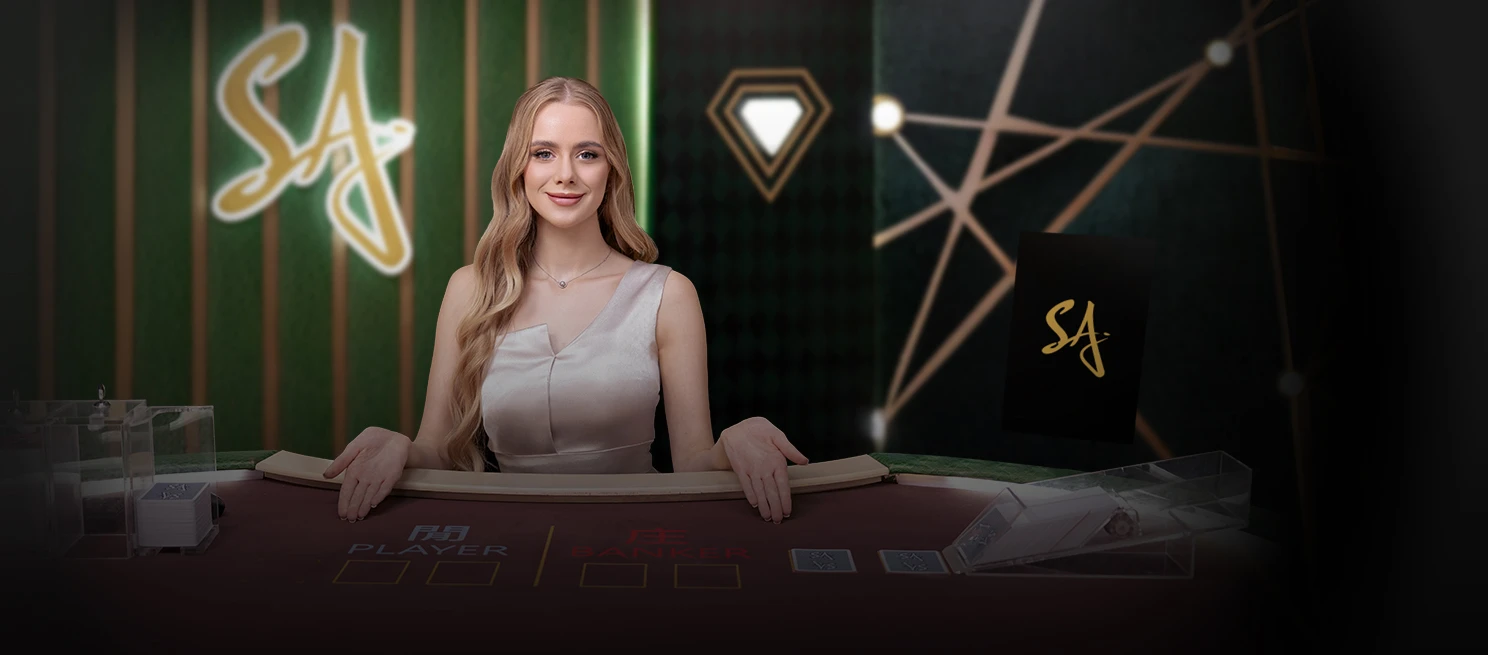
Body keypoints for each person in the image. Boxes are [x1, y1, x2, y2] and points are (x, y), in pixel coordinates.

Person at [323, 77, 808, 525]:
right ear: (518, 166)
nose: (566, 175)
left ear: (611, 169)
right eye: (544, 153)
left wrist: (732, 443)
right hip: (508, 542)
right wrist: (401, 448)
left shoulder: (668, 293)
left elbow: (693, 465)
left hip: (634, 539)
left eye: (587, 154)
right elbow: (436, 452)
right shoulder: (470, 289)